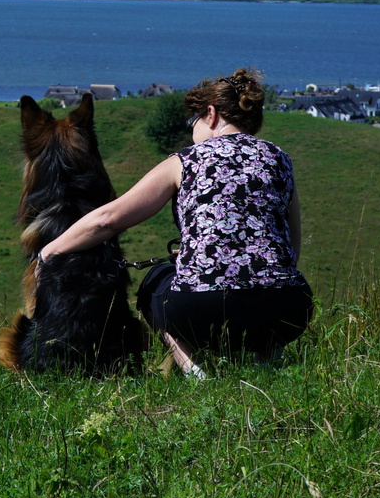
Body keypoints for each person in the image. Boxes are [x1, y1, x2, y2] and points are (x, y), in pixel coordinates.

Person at [37, 68, 313, 374]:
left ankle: (196, 373)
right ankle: (265, 366)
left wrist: (50, 251)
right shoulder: (280, 159)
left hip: (202, 307)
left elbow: (107, 220)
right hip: (289, 305)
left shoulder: (185, 161)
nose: (191, 129)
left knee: (154, 284)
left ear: (210, 114)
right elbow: (292, 245)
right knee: (268, 292)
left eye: (191, 121)